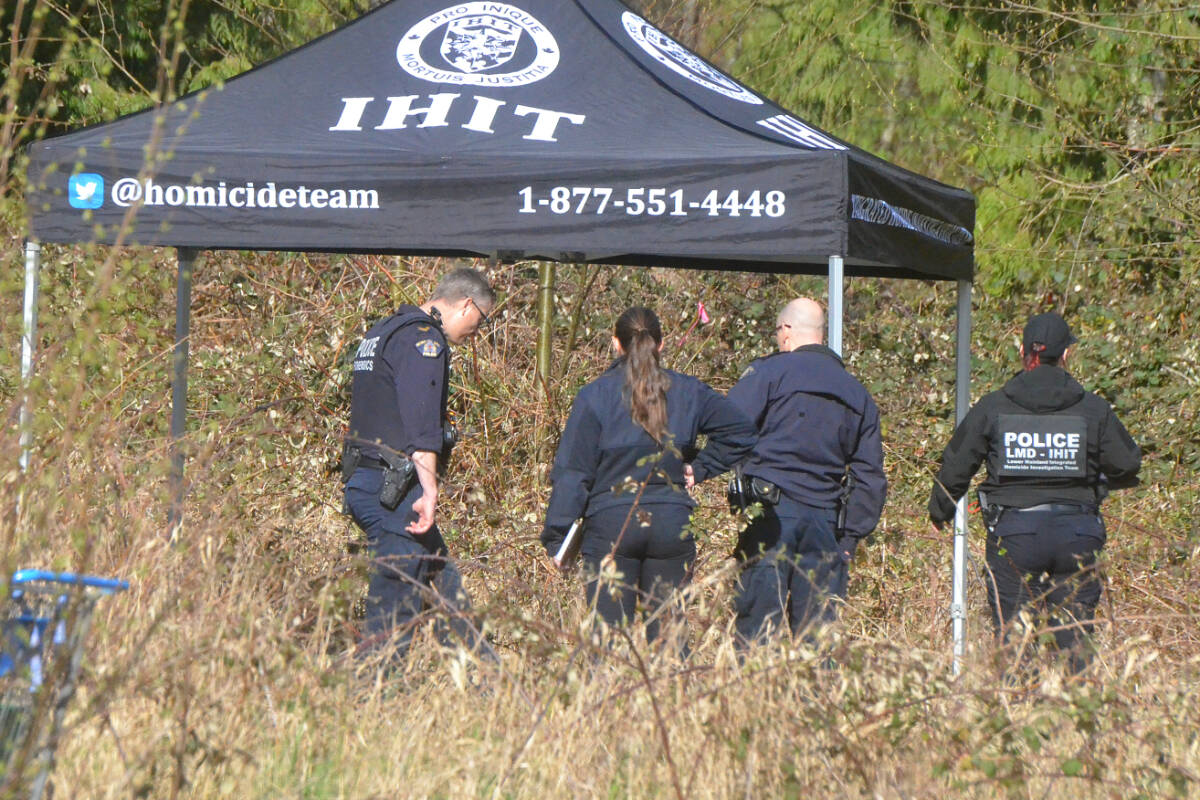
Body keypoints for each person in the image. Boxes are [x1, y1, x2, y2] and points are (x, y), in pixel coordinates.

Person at [929, 311, 1140, 673]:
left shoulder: (994, 406)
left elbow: (957, 464)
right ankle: (1075, 720)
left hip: (1015, 536)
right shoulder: (1092, 408)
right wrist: (1099, 485)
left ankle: (1017, 718)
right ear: (1066, 355)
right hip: (1077, 535)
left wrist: (940, 511)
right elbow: (1127, 464)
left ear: (1024, 352)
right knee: (1074, 643)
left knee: (1015, 643)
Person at [541, 306, 755, 643]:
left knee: (608, 643)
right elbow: (741, 433)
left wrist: (557, 538)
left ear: (616, 344)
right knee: (670, 641)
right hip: (671, 524)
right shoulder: (688, 391)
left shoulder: (594, 396)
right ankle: (675, 693)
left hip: (612, 525)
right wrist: (699, 468)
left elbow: (573, 473)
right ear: (662, 343)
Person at [341, 267, 495, 660]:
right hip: (393, 492)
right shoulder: (424, 339)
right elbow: (421, 422)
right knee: (392, 614)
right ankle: (374, 696)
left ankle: (488, 682)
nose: (475, 333)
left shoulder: (384, 331)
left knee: (444, 580)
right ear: (466, 304)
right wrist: (430, 490)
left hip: (365, 480)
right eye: (478, 323)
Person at [726, 297, 886, 644]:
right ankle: (814, 699)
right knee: (817, 644)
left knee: (756, 637)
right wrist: (850, 539)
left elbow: (727, 426)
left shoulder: (768, 373)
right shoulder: (856, 393)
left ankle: (753, 699)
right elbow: (870, 475)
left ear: (786, 331)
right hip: (826, 526)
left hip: (771, 518)